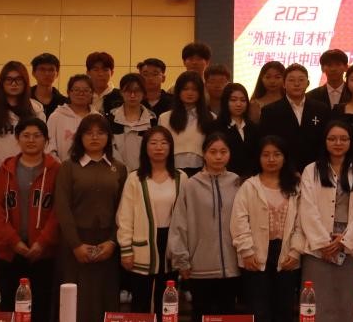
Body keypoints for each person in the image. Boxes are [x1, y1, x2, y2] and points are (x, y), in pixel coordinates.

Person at [54, 114, 128, 322]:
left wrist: (112, 242)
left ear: (109, 137)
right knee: (77, 303)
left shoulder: (119, 168)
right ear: (80, 137)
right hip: (75, 243)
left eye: (100, 133)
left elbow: (123, 210)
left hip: (108, 243)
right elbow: (62, 208)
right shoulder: (69, 167)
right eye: (88, 133)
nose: (94, 137)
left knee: (106, 300)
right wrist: (76, 245)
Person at [0, 117, 60, 322]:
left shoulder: (56, 170)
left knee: (41, 306)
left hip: (43, 253)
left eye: (37, 136)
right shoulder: (6, 169)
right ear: (17, 138)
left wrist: (42, 242)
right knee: (9, 305)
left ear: (46, 140)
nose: (31, 140)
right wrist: (14, 242)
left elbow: (58, 212)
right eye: (26, 135)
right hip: (11, 251)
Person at [299, 121, 353, 322]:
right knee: (317, 301)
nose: (338, 143)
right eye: (332, 139)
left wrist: (344, 240)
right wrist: (324, 242)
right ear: (324, 141)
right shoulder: (311, 170)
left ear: (350, 142)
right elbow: (307, 208)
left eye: (343, 139)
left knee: (347, 302)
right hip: (318, 247)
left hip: (347, 245)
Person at [231, 136, 306, 322]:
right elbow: (239, 220)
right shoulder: (249, 186)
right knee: (259, 310)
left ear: (284, 157)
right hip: (255, 254)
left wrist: (295, 251)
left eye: (276, 154)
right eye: (266, 155)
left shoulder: (296, 186)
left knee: (284, 309)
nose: (271, 159)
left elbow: (302, 222)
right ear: (258, 158)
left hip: (286, 254)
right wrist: (246, 251)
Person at [169, 132, 242, 320]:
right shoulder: (191, 185)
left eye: (223, 152)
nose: (218, 156)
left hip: (232, 267)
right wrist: (181, 259)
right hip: (199, 267)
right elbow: (179, 223)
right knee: (200, 314)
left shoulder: (237, 182)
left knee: (228, 314)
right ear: (204, 154)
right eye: (213, 152)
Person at [117, 126, 186, 314]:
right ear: (145, 147)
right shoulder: (135, 178)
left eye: (164, 143)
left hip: (170, 243)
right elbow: (125, 216)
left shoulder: (181, 178)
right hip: (143, 244)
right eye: (153, 143)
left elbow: (185, 217)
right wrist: (126, 249)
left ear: (171, 147)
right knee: (141, 300)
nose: (159, 147)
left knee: (168, 300)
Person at [260, 63, 333, 170]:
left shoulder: (321, 109)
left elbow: (326, 140)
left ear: (308, 83)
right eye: (291, 80)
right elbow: (267, 143)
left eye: (301, 80)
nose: (296, 84)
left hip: (316, 168)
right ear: (284, 84)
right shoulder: (270, 111)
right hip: (283, 169)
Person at [0, 61, 47, 167]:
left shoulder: (36, 110)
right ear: (2, 82)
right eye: (9, 79)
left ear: (25, 82)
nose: (14, 84)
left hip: (29, 168)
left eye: (18, 80)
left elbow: (42, 142)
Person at [158, 70, 217, 176]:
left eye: (194, 89)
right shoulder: (165, 118)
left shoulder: (211, 118)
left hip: (202, 171)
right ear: (178, 91)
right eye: (185, 89)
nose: (190, 93)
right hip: (172, 171)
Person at [47, 73, 100, 163]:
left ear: (92, 93)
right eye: (76, 90)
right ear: (68, 92)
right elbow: (49, 147)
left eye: (86, 90)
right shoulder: (56, 117)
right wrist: (62, 167)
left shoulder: (97, 118)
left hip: (92, 168)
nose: (81, 93)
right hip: (61, 168)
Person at [111, 73, 157, 172]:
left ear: (144, 93)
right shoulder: (111, 119)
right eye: (128, 91)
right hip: (115, 174)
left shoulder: (153, 120)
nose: (132, 95)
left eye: (137, 91)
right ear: (121, 92)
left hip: (144, 174)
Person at [218, 82, 261, 178]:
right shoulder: (217, 127)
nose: (238, 104)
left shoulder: (253, 128)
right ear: (225, 102)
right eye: (233, 100)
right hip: (225, 177)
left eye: (243, 100)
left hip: (251, 178)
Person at [86, 51, 123, 118]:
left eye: (105, 70)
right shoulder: (82, 95)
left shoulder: (121, 96)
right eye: (96, 70)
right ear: (88, 73)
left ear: (112, 73)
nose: (100, 74)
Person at [30, 53, 68, 118]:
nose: (47, 74)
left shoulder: (64, 103)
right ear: (33, 73)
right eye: (42, 69)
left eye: (51, 70)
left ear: (57, 73)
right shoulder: (24, 99)